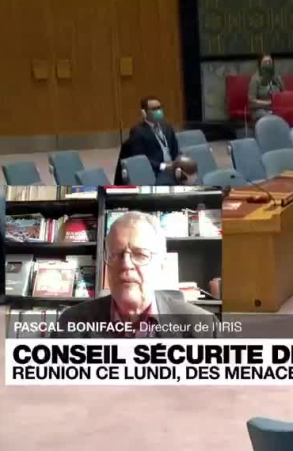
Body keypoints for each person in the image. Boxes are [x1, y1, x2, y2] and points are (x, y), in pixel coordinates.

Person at [54, 212, 217, 338]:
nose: (126, 264)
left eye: (140, 255)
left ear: (162, 264)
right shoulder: (70, 323)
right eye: (116, 254)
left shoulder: (206, 328)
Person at [116, 96, 193, 185]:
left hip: (172, 169)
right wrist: (163, 166)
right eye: (154, 109)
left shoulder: (167, 127)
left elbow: (175, 150)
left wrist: (179, 163)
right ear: (144, 113)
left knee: (191, 174)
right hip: (155, 171)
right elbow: (141, 160)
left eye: (159, 108)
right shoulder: (138, 132)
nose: (158, 111)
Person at [248, 54, 284, 120]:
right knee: (271, 118)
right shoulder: (255, 79)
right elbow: (251, 101)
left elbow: (284, 94)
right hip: (260, 109)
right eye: (265, 62)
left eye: (269, 62)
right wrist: (268, 103)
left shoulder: (277, 77)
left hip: (275, 109)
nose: (268, 64)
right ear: (260, 65)